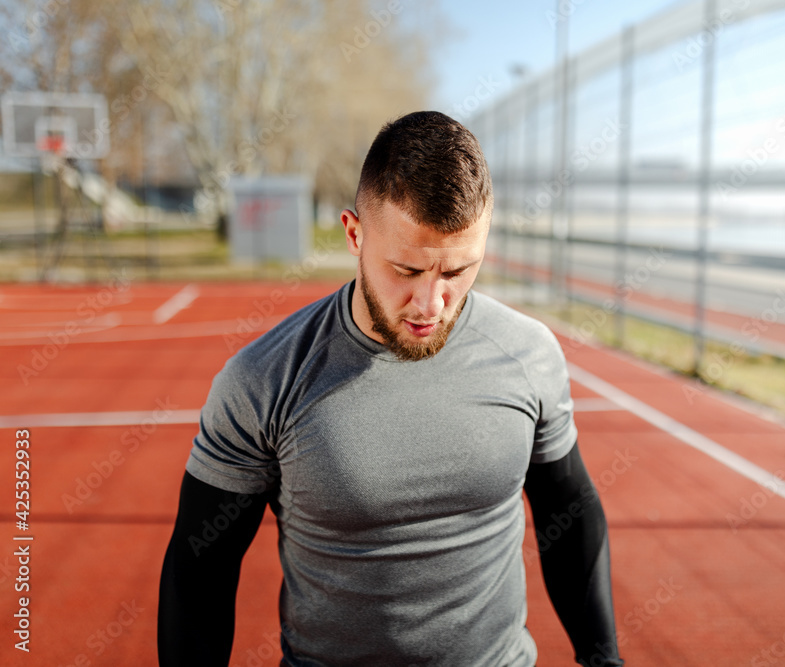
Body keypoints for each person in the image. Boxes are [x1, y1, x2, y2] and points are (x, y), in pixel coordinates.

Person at [158, 110, 624, 667]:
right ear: (355, 233)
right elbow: (200, 567)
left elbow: (567, 509)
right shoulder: (263, 379)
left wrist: (605, 660)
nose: (431, 305)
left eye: (456, 272)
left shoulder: (530, 354)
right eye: (406, 270)